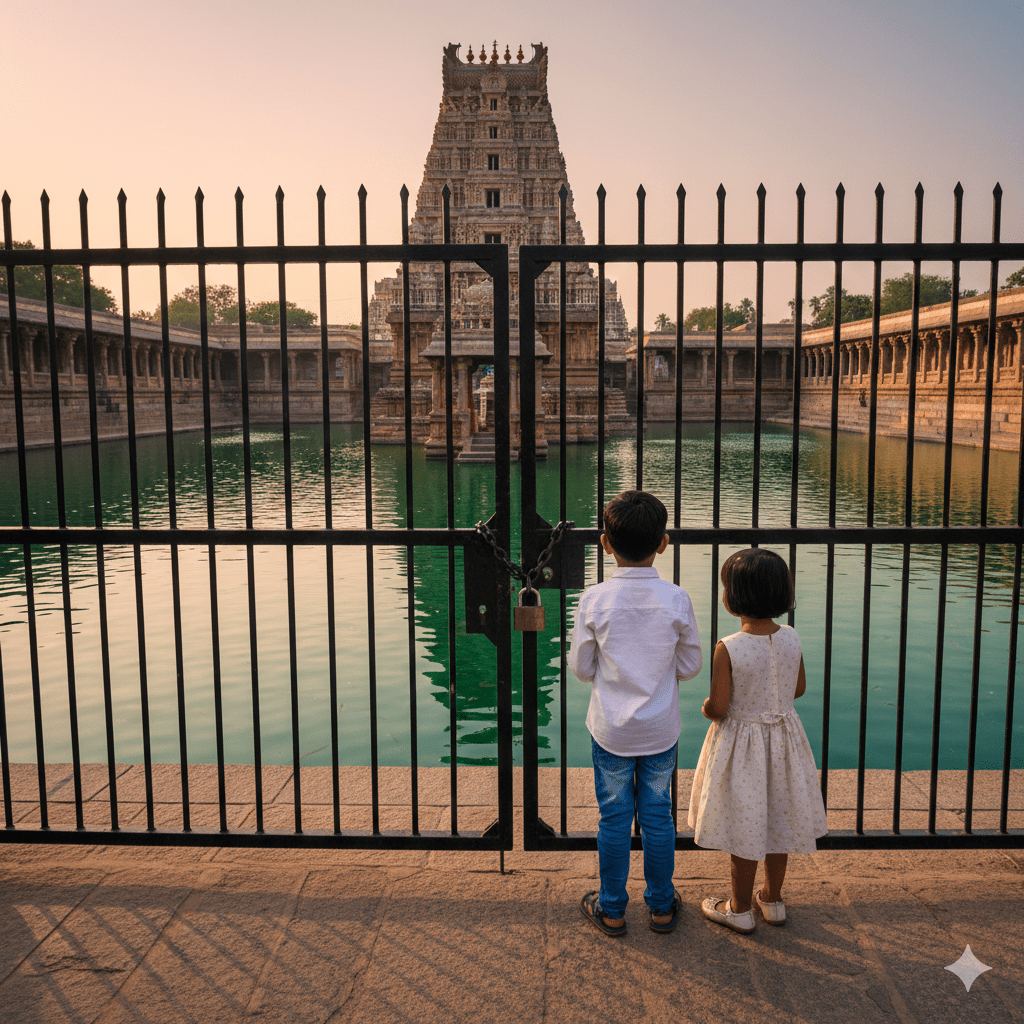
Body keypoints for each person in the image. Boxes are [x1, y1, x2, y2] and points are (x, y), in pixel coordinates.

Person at [568, 490, 702, 937]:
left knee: (614, 817)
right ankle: (662, 907)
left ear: (606, 543)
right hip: (661, 728)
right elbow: (690, 665)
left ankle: (612, 909)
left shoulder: (593, 600)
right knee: (658, 815)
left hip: (611, 730)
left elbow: (582, 669)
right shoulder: (676, 599)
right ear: (663, 543)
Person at [688, 547, 827, 933]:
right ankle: (773, 900)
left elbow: (718, 706)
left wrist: (704, 707)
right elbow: (797, 688)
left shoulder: (728, 647)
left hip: (743, 749)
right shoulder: (792, 638)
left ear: (734, 598)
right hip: (784, 743)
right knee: (778, 823)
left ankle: (739, 908)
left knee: (744, 827)